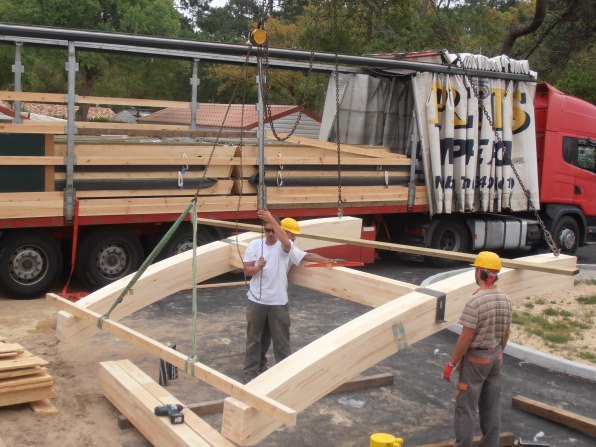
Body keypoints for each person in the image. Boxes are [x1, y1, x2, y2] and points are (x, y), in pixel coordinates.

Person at [442, 251, 512, 447]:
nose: (475, 273)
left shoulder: (476, 301)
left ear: (481, 272)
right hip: (496, 356)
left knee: (466, 407)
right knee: (491, 406)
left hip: (476, 360)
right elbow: (505, 334)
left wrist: (451, 363)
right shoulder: (505, 299)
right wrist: (498, 352)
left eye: (476, 269)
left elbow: (466, 337)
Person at [258, 217, 339, 373]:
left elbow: (304, 256)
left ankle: (264, 365)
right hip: (272, 299)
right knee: (276, 336)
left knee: (265, 333)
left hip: (267, 297)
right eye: (292, 234)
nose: (294, 237)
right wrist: (328, 260)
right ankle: (282, 371)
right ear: (283, 231)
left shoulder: (277, 244)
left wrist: (326, 260)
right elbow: (307, 256)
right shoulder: (281, 244)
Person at [242, 210, 298, 383]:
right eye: (267, 230)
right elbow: (246, 270)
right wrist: (258, 267)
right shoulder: (254, 245)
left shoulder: (283, 247)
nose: (271, 233)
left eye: (274, 229)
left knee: (281, 342)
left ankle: (284, 377)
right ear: (263, 230)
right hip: (256, 300)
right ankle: (251, 372)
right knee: (254, 340)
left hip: (278, 302)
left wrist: (271, 220)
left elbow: (287, 244)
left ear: (278, 229)